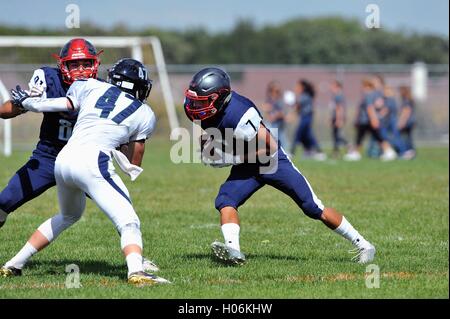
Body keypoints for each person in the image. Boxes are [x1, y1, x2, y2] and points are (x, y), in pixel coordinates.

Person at [183, 67, 376, 265]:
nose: (195, 105)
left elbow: (270, 147)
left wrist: (232, 158)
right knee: (225, 200)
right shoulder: (199, 108)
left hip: (272, 161)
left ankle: (363, 244)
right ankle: (233, 250)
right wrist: (208, 148)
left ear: (220, 98)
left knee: (313, 207)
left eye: (202, 101)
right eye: (194, 99)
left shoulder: (240, 113)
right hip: (247, 163)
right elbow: (206, 131)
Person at [0, 58, 168, 285]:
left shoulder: (90, 86)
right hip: (93, 162)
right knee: (129, 221)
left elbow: (57, 104)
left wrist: (29, 103)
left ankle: (13, 264)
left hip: (64, 159)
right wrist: (119, 146)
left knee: (69, 215)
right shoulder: (145, 113)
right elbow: (134, 162)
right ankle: (136, 271)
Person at [344, 78, 397, 161]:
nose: (361, 88)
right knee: (376, 137)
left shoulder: (369, 94)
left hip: (366, 120)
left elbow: (370, 108)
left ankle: (356, 153)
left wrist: (373, 119)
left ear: (367, 86)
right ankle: (389, 151)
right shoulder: (376, 94)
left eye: (363, 86)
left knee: (362, 137)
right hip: (369, 120)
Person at [290, 79, 326, 161]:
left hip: (306, 118)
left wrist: (291, 109)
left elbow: (297, 106)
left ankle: (292, 152)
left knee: (298, 134)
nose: (296, 88)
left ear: (302, 87)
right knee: (307, 135)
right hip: (305, 117)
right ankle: (311, 151)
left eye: (297, 86)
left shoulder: (304, 96)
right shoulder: (305, 95)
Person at [262, 81, 289, 150]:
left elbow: (282, 113)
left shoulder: (279, 101)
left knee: (281, 137)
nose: (276, 93)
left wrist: (275, 116)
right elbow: (266, 109)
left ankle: (284, 151)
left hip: (279, 123)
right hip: (272, 123)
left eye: (278, 91)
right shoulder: (269, 100)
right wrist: (269, 115)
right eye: (275, 91)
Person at [329, 80, 349, 157]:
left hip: (338, 118)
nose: (331, 88)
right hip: (335, 118)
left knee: (338, 135)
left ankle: (349, 146)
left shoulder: (338, 96)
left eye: (333, 86)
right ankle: (336, 152)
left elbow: (339, 109)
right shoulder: (335, 96)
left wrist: (338, 119)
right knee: (335, 136)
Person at [398, 86, 416, 158]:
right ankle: (411, 152)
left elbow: (406, 112)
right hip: (411, 121)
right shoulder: (410, 99)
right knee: (408, 137)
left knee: (405, 138)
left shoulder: (406, 100)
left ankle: (408, 152)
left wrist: (402, 122)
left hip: (407, 122)